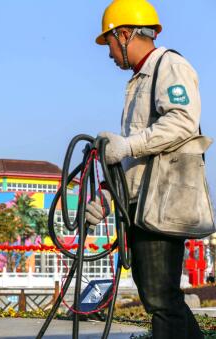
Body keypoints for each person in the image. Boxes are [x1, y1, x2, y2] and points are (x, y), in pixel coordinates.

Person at [86, 0, 204, 338]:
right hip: (145, 202)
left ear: (124, 34)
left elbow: (182, 122)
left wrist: (127, 145)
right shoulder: (139, 80)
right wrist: (109, 195)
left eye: (108, 42)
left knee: (159, 298)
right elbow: (138, 156)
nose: (109, 53)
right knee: (161, 296)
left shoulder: (170, 66)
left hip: (164, 201)